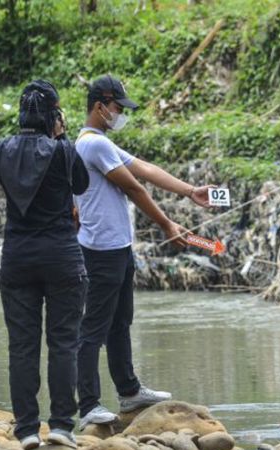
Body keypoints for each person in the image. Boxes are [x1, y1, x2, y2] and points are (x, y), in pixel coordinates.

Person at [75, 75, 213, 430]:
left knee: (120, 322)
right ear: (99, 107)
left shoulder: (101, 142)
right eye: (118, 108)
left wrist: (189, 191)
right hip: (100, 251)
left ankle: (129, 391)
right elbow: (135, 187)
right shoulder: (92, 145)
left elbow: (145, 169)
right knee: (94, 328)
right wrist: (168, 224)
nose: (120, 114)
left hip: (118, 248)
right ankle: (88, 403)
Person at [0, 80, 89, 450]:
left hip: (17, 258)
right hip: (62, 257)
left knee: (22, 346)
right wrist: (61, 137)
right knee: (64, 342)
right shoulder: (63, 151)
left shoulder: (1, 149)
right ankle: (62, 426)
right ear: (54, 116)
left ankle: (28, 430)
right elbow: (79, 185)